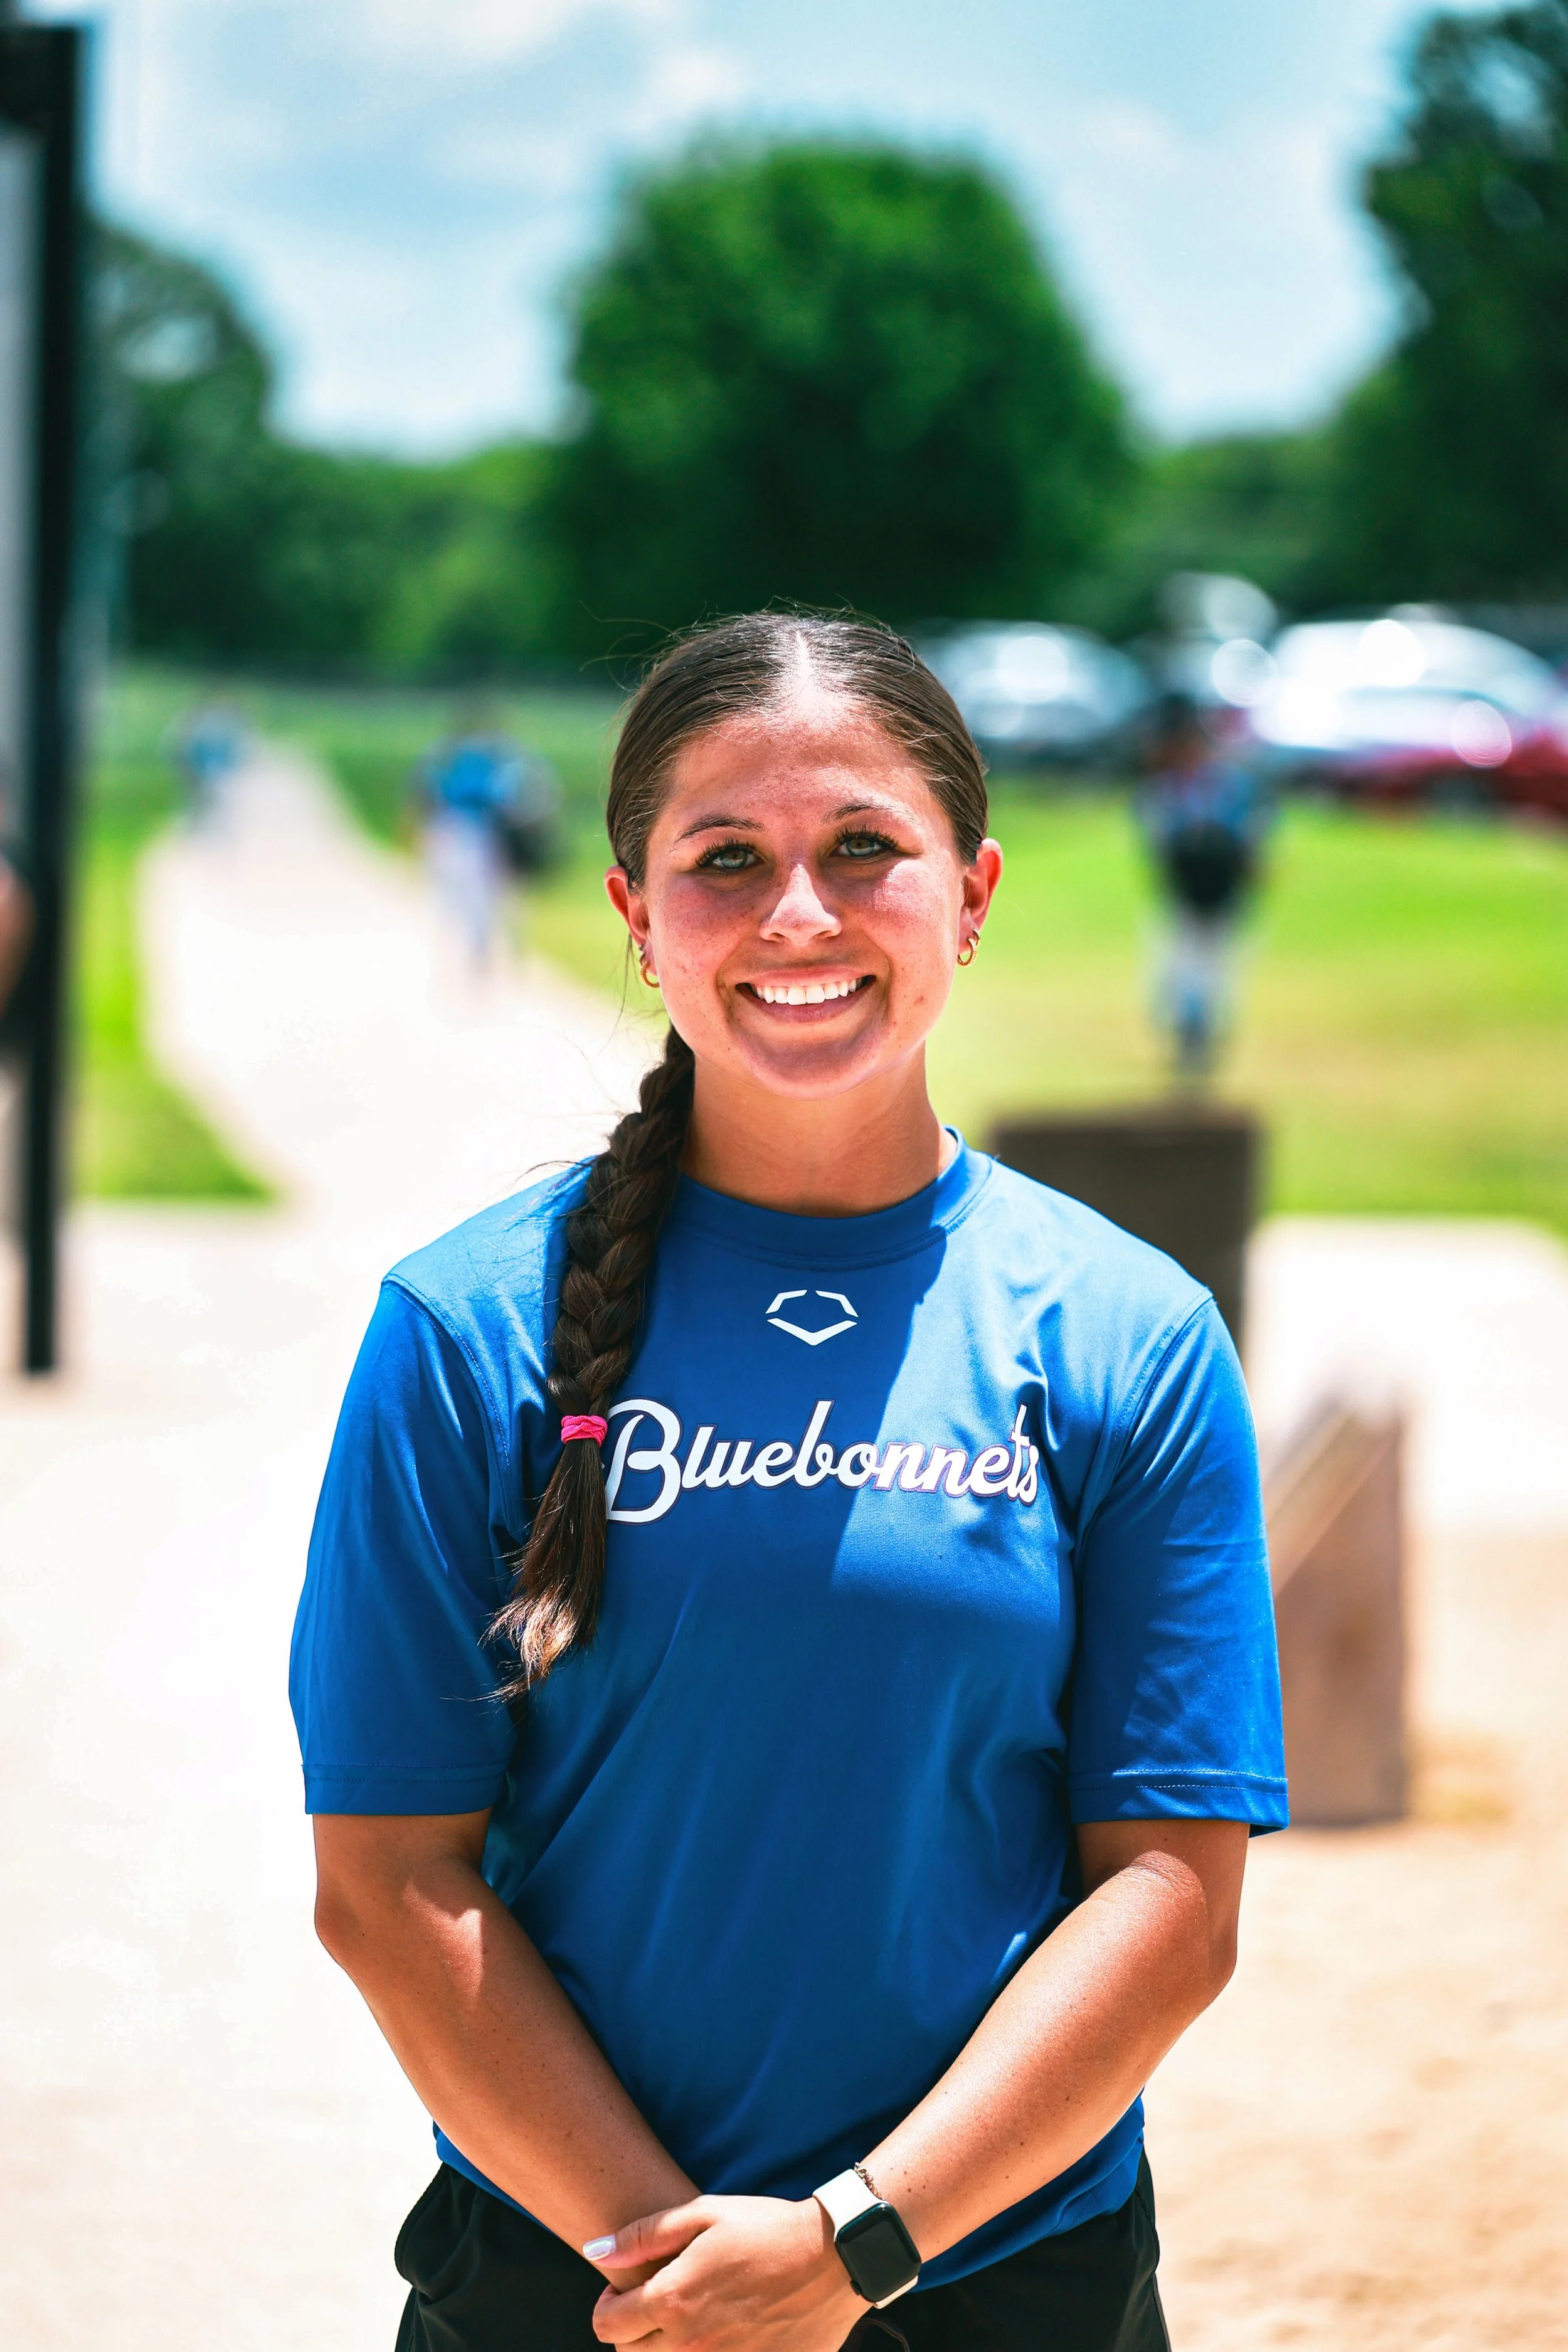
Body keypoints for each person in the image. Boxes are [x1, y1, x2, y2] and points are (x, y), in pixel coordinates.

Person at [291, 614, 1286, 2352]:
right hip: (574, 2276)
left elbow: (1172, 1889)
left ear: (969, 894)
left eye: (861, 851)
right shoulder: (464, 1328)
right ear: (632, 910)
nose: (798, 915)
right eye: (724, 860)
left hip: (998, 2273)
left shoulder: (1127, 1331)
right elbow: (387, 1878)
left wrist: (851, 2245)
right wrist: (675, 2259)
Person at [1137, 695, 1269, 1080]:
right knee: (1181, 973)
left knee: (1214, 974)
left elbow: (1254, 839)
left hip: (1222, 891)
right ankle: (1189, 1036)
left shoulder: (1232, 788)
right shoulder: (1167, 790)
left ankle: (1202, 1038)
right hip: (1185, 892)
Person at [416, 711, 560, 972]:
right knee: (483, 896)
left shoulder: (452, 761)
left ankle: (473, 948)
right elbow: (506, 801)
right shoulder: (495, 762)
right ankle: (481, 949)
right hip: (477, 836)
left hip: (456, 834)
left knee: (465, 895)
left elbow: (431, 799)